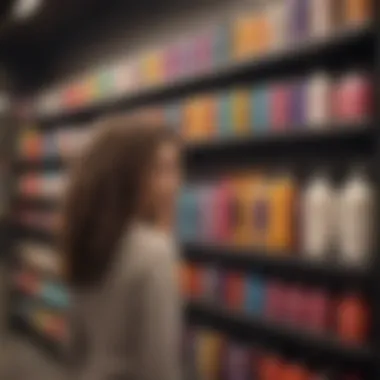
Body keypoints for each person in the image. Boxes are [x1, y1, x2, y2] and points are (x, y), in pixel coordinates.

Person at [61, 116, 182, 380]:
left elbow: (74, 348)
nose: (175, 183)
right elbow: (159, 368)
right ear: (127, 175)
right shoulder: (155, 252)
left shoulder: (86, 239)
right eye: (162, 170)